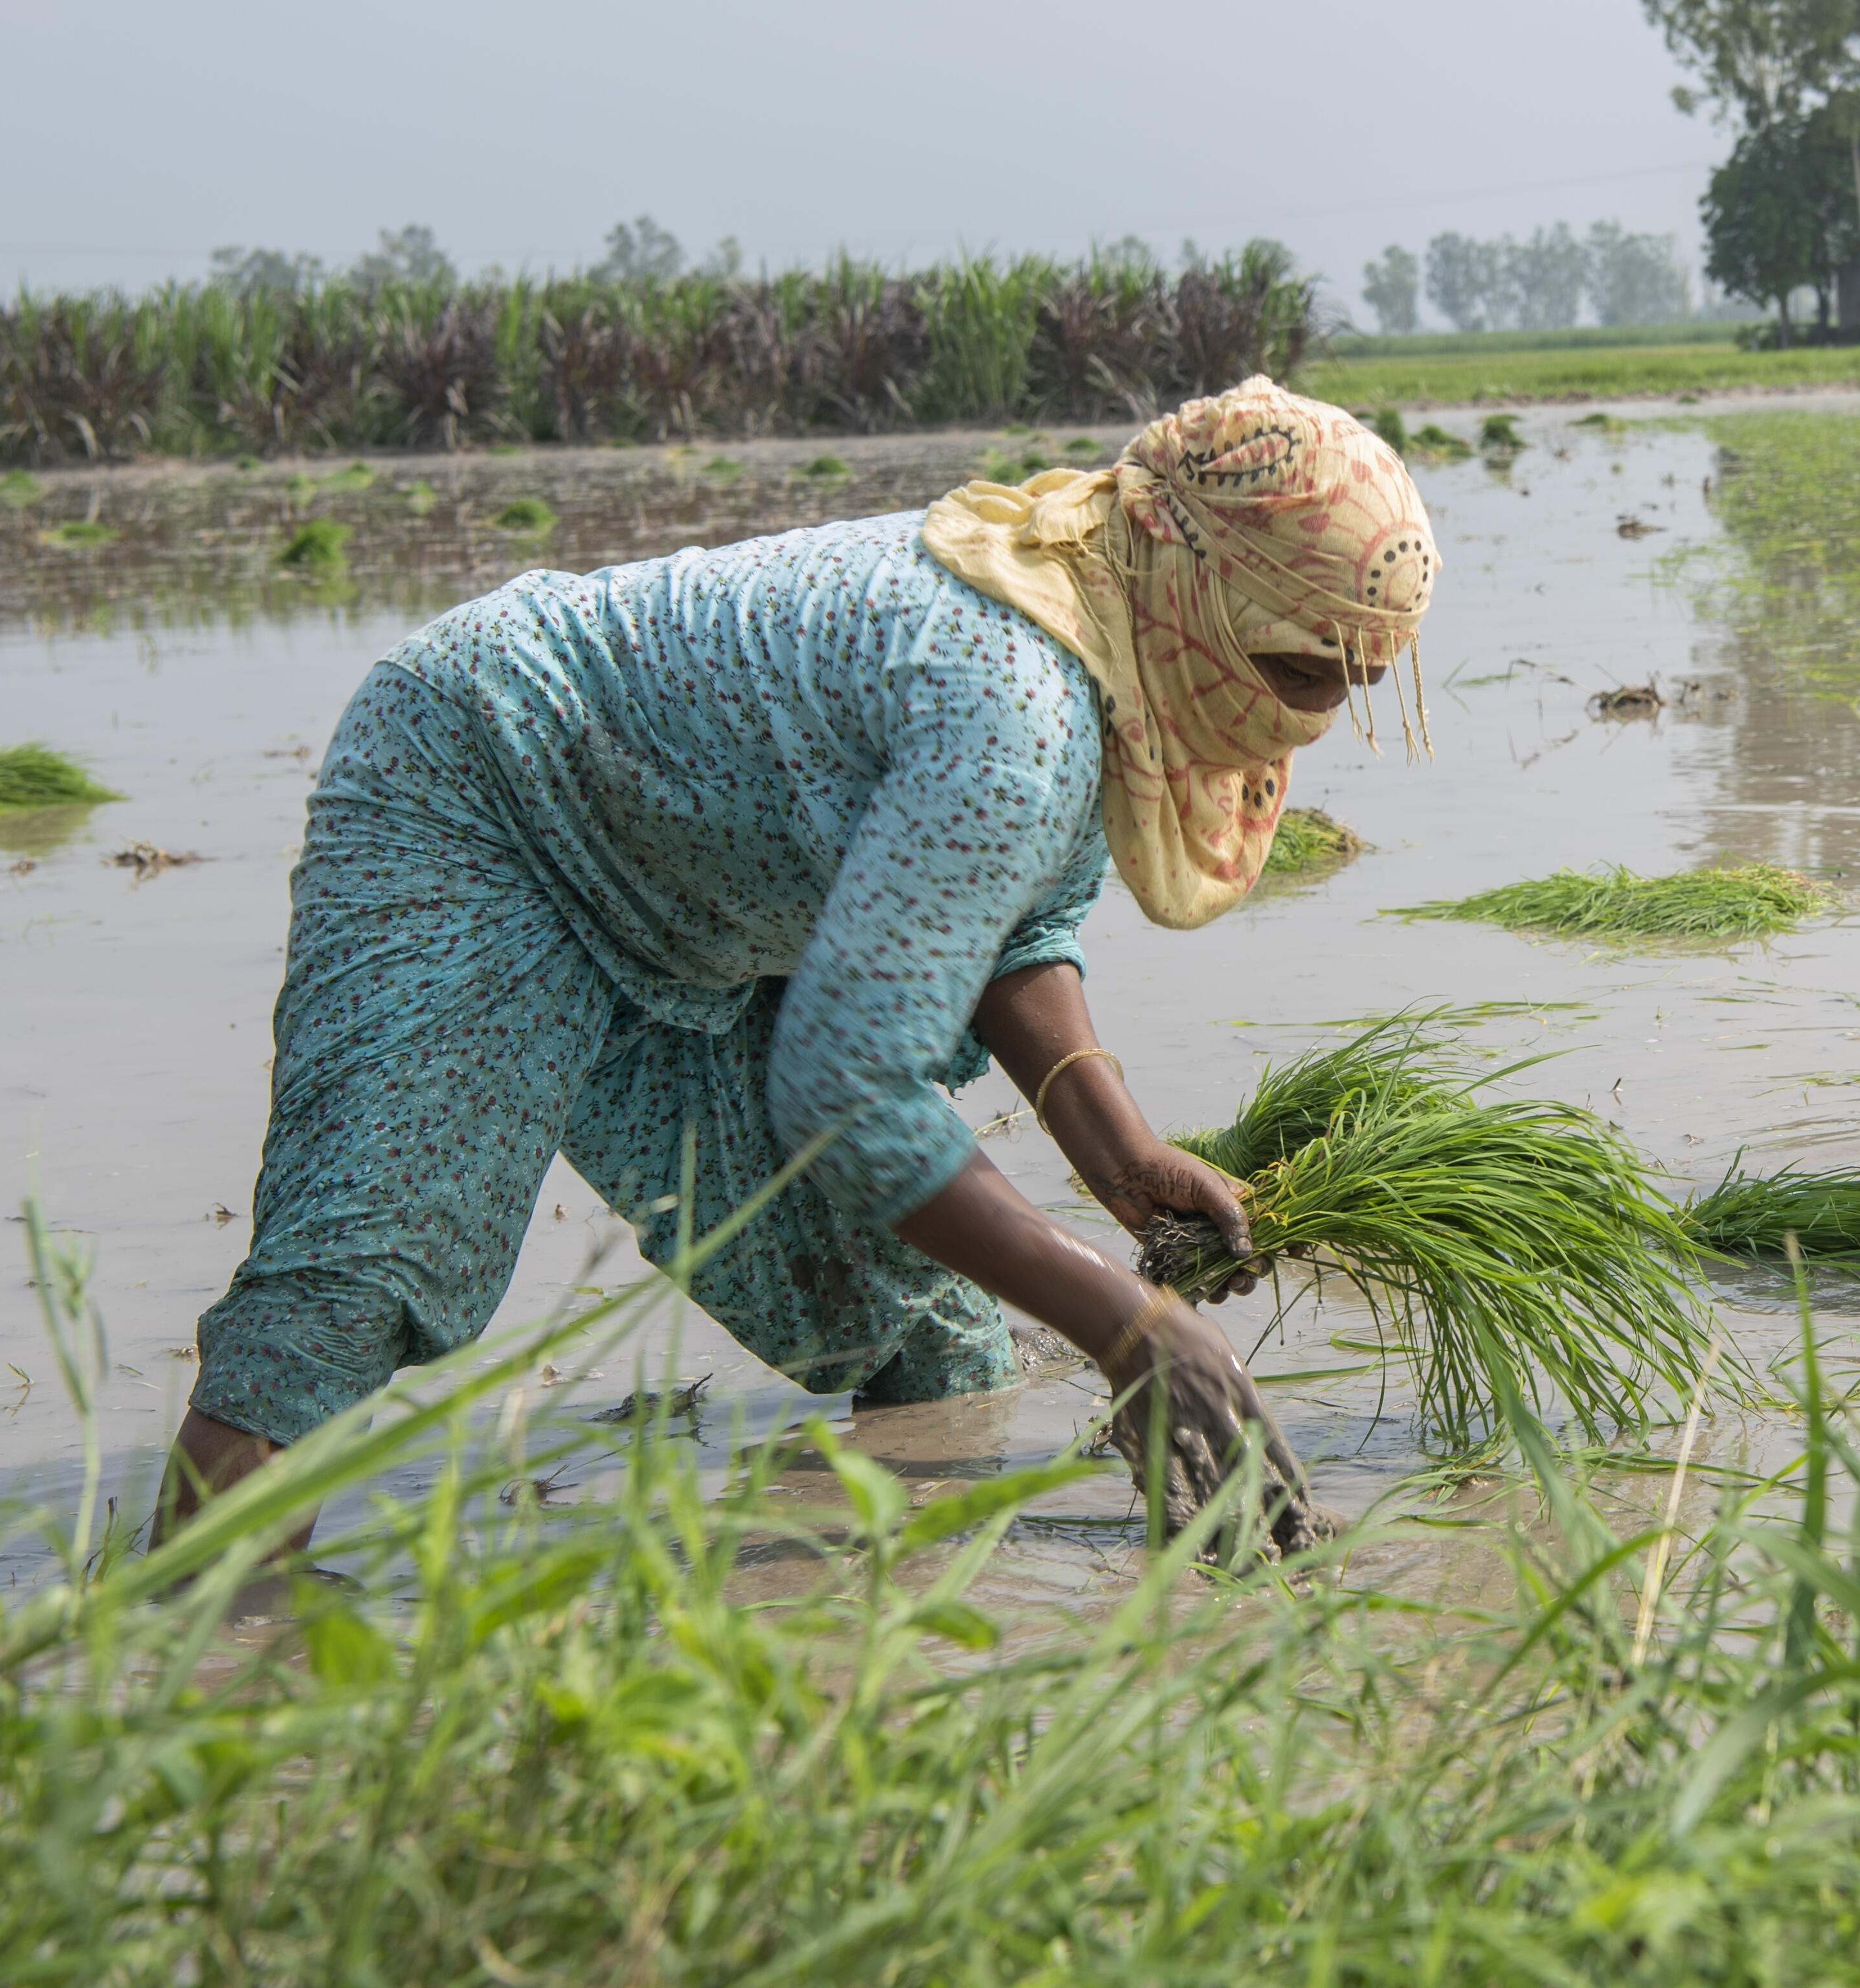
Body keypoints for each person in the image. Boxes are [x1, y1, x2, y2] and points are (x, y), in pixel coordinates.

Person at [154, 375, 1435, 1560]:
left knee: (929, 1335)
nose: (1313, 713)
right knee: (356, 1282)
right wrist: (1132, 1327)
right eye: (1301, 669)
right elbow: (849, 1087)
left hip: (697, 890)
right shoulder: (1012, 706)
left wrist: (1122, 1161)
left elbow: (1010, 926)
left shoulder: (1092, 613)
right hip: (490, 788)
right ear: (1199, 582)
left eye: (1352, 680)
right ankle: (186, 1668)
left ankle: (855, 1649)